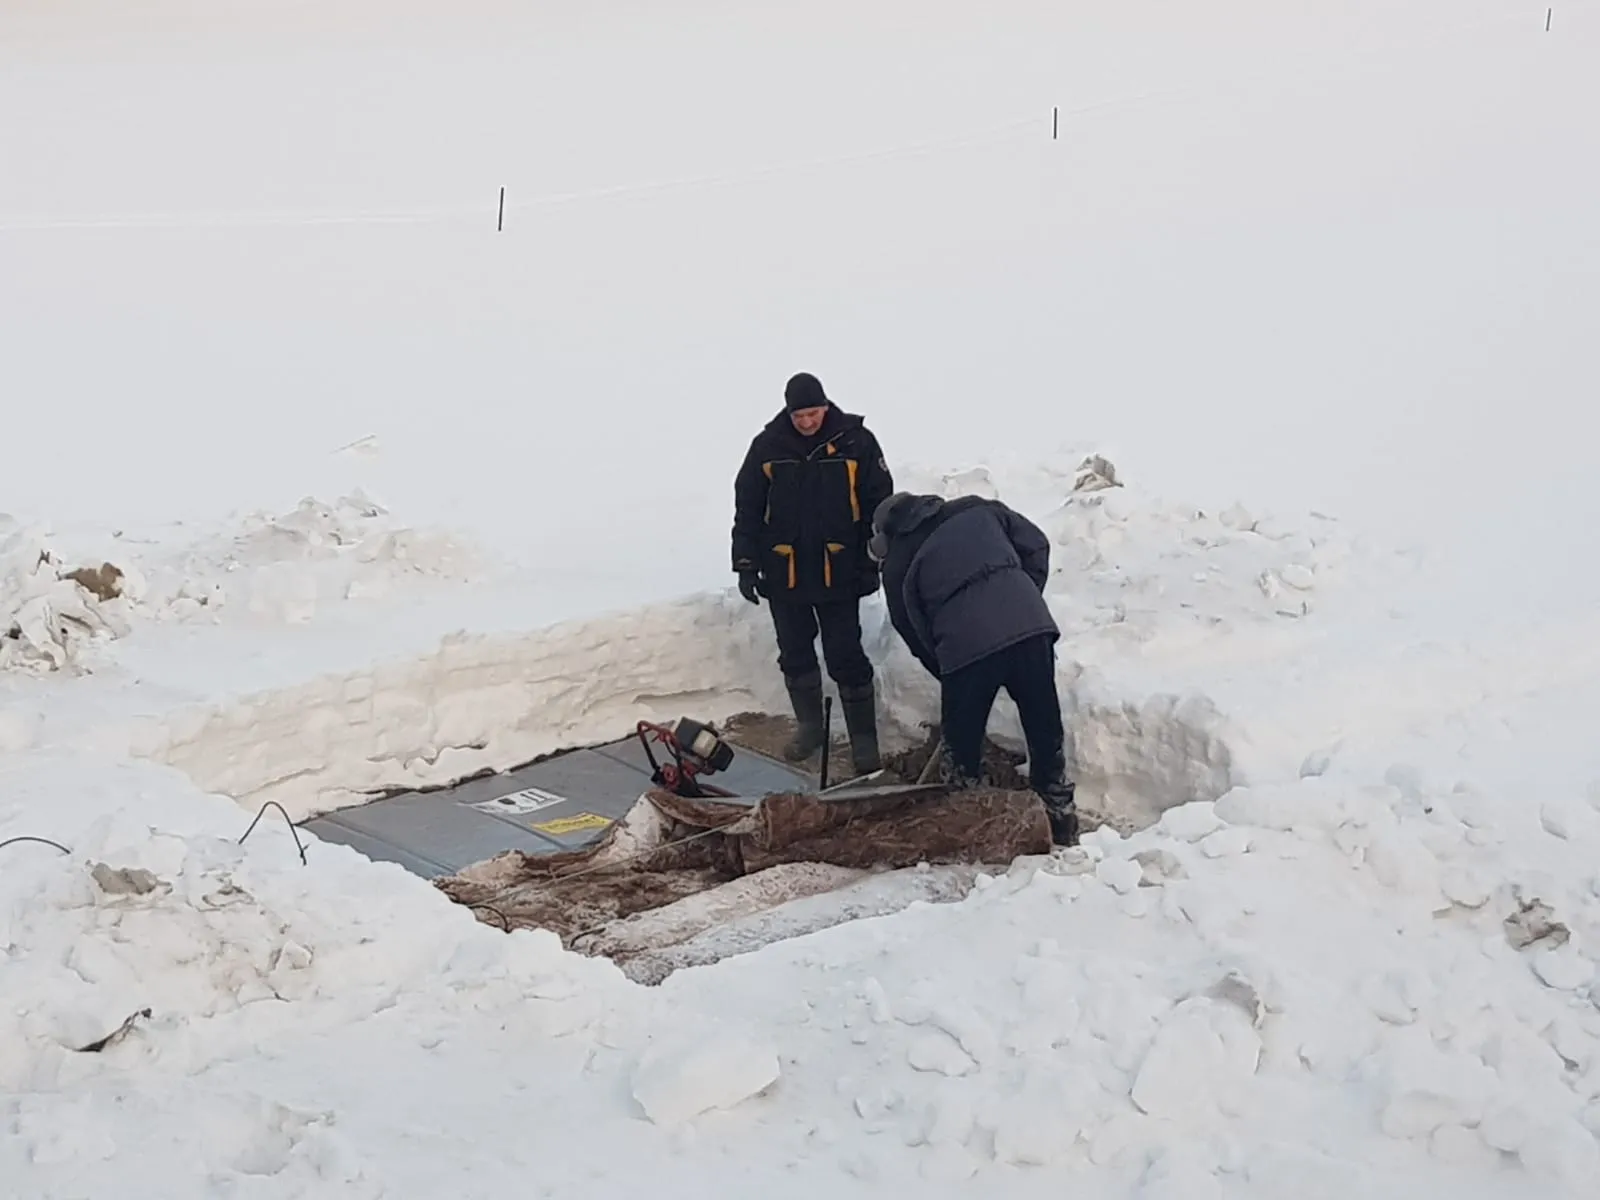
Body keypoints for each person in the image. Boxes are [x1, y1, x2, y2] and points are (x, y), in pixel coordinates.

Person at [867, 491, 1079, 845]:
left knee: (962, 743)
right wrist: (1021, 595)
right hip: (1031, 627)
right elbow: (1036, 545)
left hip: (967, 648)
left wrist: (948, 668)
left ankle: (971, 819)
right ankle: (1059, 815)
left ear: (887, 534)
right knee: (1043, 723)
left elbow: (913, 629)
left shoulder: (898, 562)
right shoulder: (978, 508)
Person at [732, 372, 894, 775]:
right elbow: (748, 507)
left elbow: (880, 505)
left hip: (839, 571)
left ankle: (863, 740)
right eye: (799, 415)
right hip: (783, 571)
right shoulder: (767, 447)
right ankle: (810, 727)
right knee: (795, 653)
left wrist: (873, 558)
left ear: (825, 406)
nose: (807, 422)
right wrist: (746, 563)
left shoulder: (857, 442)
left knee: (846, 655)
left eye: (813, 413)